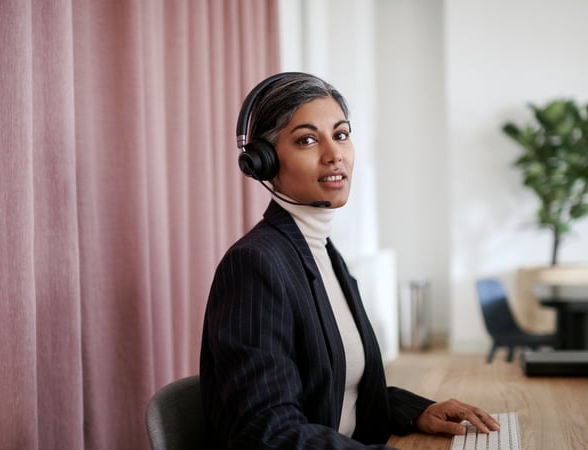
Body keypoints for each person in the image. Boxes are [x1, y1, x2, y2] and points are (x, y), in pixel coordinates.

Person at [199, 72, 499, 449]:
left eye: (340, 135)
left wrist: (418, 411)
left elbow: (340, 389)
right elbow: (266, 432)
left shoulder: (322, 252)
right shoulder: (255, 265)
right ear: (265, 161)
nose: (334, 153)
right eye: (308, 140)